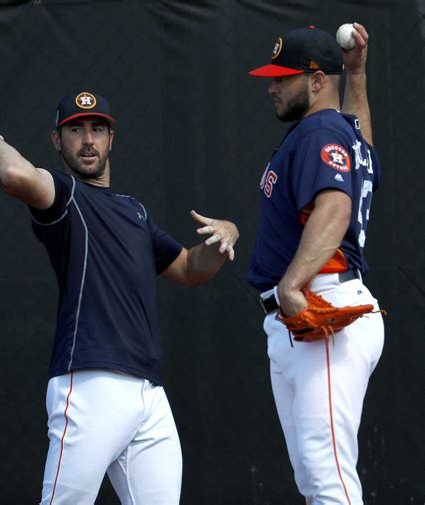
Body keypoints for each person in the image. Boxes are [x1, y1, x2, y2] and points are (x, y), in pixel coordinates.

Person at [0, 91, 239, 505]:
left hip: (148, 393)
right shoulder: (64, 195)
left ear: (112, 138)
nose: (88, 139)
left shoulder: (134, 210)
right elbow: (15, 177)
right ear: (57, 141)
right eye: (75, 129)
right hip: (91, 380)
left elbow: (189, 268)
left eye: (98, 128)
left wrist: (225, 236)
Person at [246, 24, 384, 504]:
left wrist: (292, 283)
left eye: (284, 77)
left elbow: (335, 208)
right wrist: (358, 74)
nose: (272, 85)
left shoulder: (318, 130)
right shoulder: (339, 131)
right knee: (316, 477)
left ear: (317, 81)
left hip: (320, 305)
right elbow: (360, 133)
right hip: (311, 313)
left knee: (328, 477)